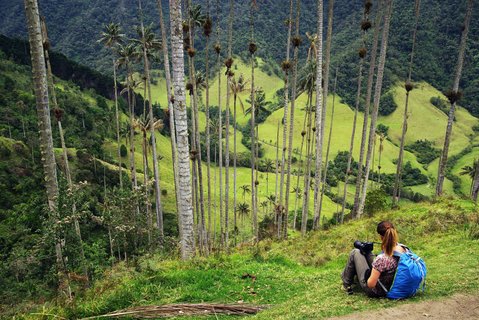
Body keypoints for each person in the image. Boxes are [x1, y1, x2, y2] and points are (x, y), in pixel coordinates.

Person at [341, 221, 406, 297]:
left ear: (381, 237)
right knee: (366, 252)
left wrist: (369, 273)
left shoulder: (382, 259)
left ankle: (346, 284)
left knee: (355, 252)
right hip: (392, 284)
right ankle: (350, 279)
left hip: (378, 290)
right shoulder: (403, 248)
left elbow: (371, 284)